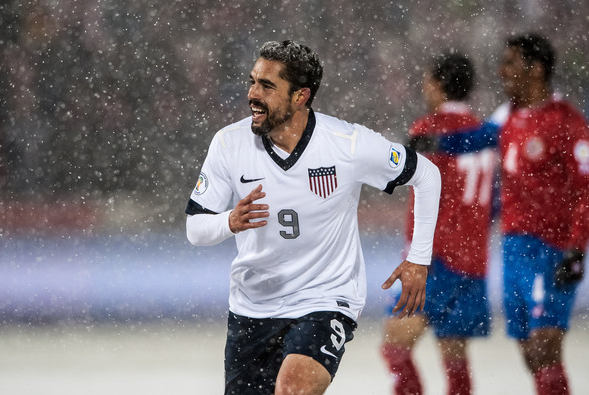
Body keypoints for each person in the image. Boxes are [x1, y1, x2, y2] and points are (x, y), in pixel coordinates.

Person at [185, 40, 441, 395]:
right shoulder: (229, 144)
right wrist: (229, 221)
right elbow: (196, 229)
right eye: (252, 81)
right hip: (253, 305)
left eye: (267, 86)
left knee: (294, 387)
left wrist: (418, 258)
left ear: (300, 96)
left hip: (325, 299)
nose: (252, 95)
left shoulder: (346, 144)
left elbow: (426, 175)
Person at [436, 33, 588, 395]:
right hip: (514, 249)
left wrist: (577, 248)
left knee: (545, 345)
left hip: (553, 249)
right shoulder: (508, 117)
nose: (502, 70)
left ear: (535, 70)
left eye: (510, 63)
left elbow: (586, 191)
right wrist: (429, 144)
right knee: (530, 352)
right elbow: (472, 140)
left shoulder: (568, 123)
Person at [380, 52, 493, 395]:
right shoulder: (484, 133)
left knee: (394, 348)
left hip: (435, 258)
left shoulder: (427, 130)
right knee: (455, 358)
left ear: (440, 85)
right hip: (474, 259)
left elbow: (398, 176)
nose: (424, 87)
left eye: (428, 80)